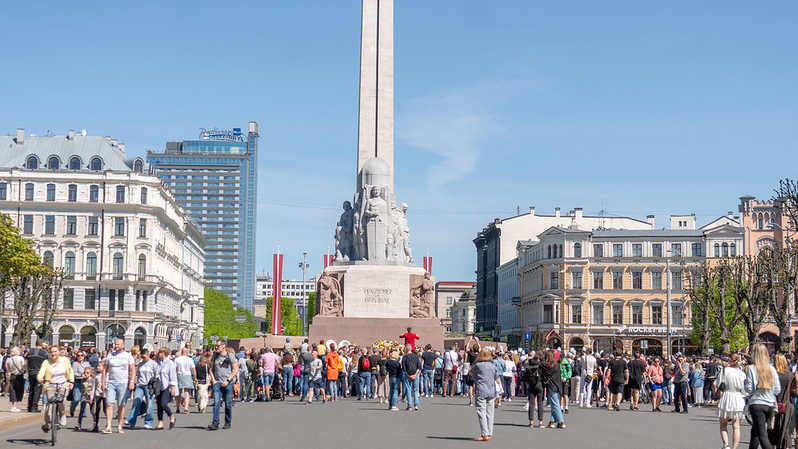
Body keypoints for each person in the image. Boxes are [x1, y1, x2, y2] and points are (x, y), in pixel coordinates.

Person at [745, 343, 780, 449]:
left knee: (762, 436)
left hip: (757, 403)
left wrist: (745, 384)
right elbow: (777, 389)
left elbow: (749, 389)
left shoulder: (751, 368)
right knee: (755, 432)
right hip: (769, 403)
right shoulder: (772, 369)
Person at [102, 338, 136, 434]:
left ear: (123, 345)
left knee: (121, 405)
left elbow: (133, 369)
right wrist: (103, 382)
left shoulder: (128, 356)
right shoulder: (110, 356)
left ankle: (119, 426)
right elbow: (105, 369)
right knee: (109, 404)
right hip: (111, 383)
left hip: (123, 383)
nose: (116, 346)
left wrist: (132, 381)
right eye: (115, 344)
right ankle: (108, 426)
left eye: (118, 344)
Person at [37, 345, 74, 433]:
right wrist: (40, 378)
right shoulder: (46, 362)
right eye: (52, 352)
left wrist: (71, 382)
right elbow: (40, 373)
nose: (53, 354)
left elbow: (70, 371)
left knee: (62, 398)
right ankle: (47, 423)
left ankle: (63, 415)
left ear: (59, 352)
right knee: (50, 401)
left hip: (63, 384)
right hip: (50, 384)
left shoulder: (65, 360)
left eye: (55, 351)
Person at [716, 353, 745, 449]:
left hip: (727, 396)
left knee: (723, 424)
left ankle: (726, 445)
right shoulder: (742, 373)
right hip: (737, 397)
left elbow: (718, 384)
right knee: (736, 426)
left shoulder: (724, 371)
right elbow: (744, 390)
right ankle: (734, 447)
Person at [208, 340, 238, 430]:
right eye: (216, 346)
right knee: (216, 403)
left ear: (223, 346)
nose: (216, 347)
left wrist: (228, 380)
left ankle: (228, 422)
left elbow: (236, 369)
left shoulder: (230, 356)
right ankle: (215, 423)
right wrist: (213, 380)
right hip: (217, 383)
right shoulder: (215, 356)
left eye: (218, 346)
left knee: (228, 404)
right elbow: (211, 369)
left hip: (228, 383)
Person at [470, 348, 500, 441]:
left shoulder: (478, 365)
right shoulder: (493, 366)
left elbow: (470, 372)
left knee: (481, 412)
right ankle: (489, 434)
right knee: (490, 413)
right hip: (491, 391)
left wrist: (476, 377)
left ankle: (484, 434)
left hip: (481, 390)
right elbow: (498, 379)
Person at [126, 348, 157, 429]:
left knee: (150, 403)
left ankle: (148, 422)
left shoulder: (153, 364)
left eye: (144, 357)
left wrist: (154, 385)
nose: (143, 359)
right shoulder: (140, 364)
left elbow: (156, 375)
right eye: (142, 357)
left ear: (148, 355)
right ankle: (131, 420)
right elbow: (138, 374)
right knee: (136, 402)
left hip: (149, 385)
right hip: (140, 385)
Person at [769, 353, 793, 449]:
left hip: (774, 404)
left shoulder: (773, 375)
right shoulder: (790, 375)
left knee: (772, 428)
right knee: (785, 429)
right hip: (786, 404)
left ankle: (772, 446)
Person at [540, 350, 565, 429]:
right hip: (558, 385)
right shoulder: (557, 365)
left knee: (555, 404)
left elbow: (540, 363)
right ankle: (552, 421)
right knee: (555, 404)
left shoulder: (545, 365)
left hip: (551, 386)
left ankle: (561, 421)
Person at [154, 347, 177, 430]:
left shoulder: (170, 363)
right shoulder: (159, 363)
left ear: (163, 353)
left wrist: (172, 388)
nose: (158, 354)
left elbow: (172, 376)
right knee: (159, 405)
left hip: (166, 386)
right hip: (158, 386)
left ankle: (171, 416)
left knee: (163, 404)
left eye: (159, 353)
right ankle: (160, 422)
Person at [26, 340, 48, 413]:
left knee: (31, 390)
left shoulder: (30, 352)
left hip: (31, 372)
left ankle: (29, 406)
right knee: (37, 390)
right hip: (40, 373)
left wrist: (28, 371)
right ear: (42, 344)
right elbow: (47, 363)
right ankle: (34, 407)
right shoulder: (44, 353)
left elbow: (26, 363)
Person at [524, 354, 545, 428]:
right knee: (540, 403)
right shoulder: (541, 364)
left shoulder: (529, 363)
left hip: (531, 384)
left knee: (531, 403)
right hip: (539, 383)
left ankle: (531, 422)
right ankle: (540, 422)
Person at [174, 347, 196, 413]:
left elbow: (175, 368)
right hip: (187, 375)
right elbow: (193, 369)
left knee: (178, 393)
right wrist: (194, 377)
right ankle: (186, 408)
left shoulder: (177, 359)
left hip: (179, 375)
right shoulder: (189, 359)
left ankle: (178, 408)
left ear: (181, 352)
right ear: (186, 352)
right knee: (187, 393)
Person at [4, 346, 25, 413]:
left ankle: (13, 405)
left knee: (12, 390)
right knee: (19, 390)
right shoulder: (20, 358)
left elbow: (6, 365)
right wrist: (22, 371)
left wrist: (9, 371)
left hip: (12, 375)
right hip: (19, 375)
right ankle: (15, 406)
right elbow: (23, 366)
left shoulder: (9, 359)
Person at [69, 351, 89, 418]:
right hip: (77, 382)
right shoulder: (75, 364)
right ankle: (72, 409)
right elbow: (73, 373)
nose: (80, 357)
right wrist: (81, 375)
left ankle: (83, 412)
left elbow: (91, 371)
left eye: (81, 355)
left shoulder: (87, 363)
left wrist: (88, 376)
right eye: (78, 355)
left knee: (84, 398)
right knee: (76, 398)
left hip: (85, 383)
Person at [401, 344, 421, 411]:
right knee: (415, 389)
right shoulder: (416, 356)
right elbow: (419, 367)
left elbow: (404, 368)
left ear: (406, 349)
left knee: (408, 389)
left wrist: (409, 375)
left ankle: (409, 405)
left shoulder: (405, 357)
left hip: (408, 375)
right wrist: (415, 375)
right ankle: (416, 404)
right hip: (416, 374)